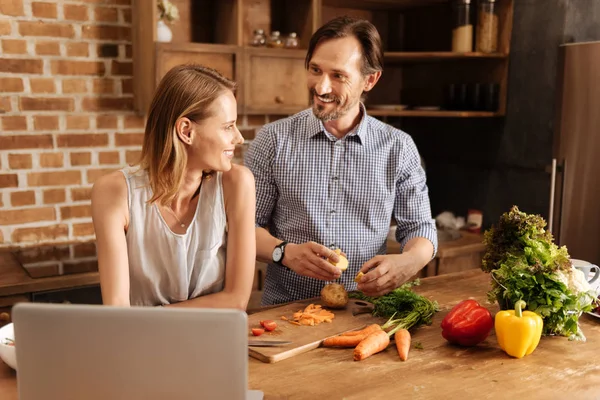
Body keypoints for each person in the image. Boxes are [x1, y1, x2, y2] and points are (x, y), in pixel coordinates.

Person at [245, 16, 437, 305]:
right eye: (315, 70)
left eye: (338, 75)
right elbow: (244, 227)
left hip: (367, 312)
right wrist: (283, 252)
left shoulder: (398, 147)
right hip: (286, 313)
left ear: (369, 80)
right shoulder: (273, 140)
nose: (321, 88)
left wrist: (409, 261)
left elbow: (421, 229)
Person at [91, 64, 256, 309]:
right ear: (186, 131)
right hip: (142, 344)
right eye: (227, 126)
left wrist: (147, 319)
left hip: (214, 342)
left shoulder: (237, 184)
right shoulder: (114, 192)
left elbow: (236, 300)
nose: (239, 137)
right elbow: (117, 308)